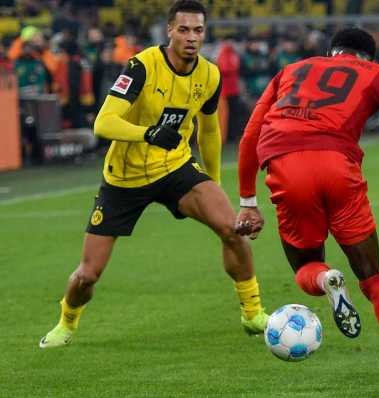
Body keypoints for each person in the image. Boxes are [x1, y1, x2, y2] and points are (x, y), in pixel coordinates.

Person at [39, 0, 268, 349]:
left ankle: (253, 313)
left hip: (174, 167)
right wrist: (147, 132)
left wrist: (214, 186)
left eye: (198, 30)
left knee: (232, 229)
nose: (192, 37)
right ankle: (66, 322)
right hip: (124, 178)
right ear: (170, 31)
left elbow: (208, 131)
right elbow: (103, 122)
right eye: (185, 29)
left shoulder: (210, 74)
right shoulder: (142, 65)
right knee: (87, 275)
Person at [237, 28, 379, 397]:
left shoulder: (291, 70)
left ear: (331, 52)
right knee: (375, 281)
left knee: (305, 267)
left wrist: (248, 201)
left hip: (285, 165)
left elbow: (250, 135)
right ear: (369, 57)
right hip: (337, 167)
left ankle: (326, 279)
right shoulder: (377, 74)